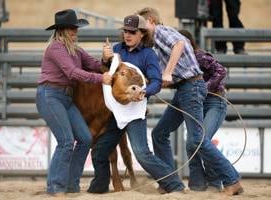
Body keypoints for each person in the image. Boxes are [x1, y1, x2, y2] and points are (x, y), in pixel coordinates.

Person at [136, 7, 243, 196]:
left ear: (151, 21)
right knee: (160, 134)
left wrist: (168, 71)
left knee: (196, 140)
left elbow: (178, 43)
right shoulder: (156, 45)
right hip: (185, 88)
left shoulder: (161, 31)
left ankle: (231, 179)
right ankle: (170, 182)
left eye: (142, 26)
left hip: (191, 87)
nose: (141, 31)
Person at [87, 14, 185, 194]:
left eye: (132, 32)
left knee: (141, 153)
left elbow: (156, 81)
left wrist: (145, 91)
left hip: (134, 113)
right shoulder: (116, 49)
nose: (128, 35)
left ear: (142, 34)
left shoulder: (149, 54)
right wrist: (104, 59)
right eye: (125, 31)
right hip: (115, 113)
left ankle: (175, 185)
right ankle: (99, 187)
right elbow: (106, 72)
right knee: (100, 151)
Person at [35, 9, 112, 196]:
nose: (75, 31)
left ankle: (70, 185)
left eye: (75, 28)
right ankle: (56, 187)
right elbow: (72, 73)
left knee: (85, 138)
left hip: (64, 98)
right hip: (50, 95)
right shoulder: (55, 48)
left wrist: (105, 58)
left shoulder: (76, 50)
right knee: (66, 141)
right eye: (71, 28)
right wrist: (100, 78)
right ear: (60, 30)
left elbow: (94, 64)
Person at [178, 29, 230, 191]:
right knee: (194, 142)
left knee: (200, 140)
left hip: (215, 100)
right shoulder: (178, 63)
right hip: (199, 103)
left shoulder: (199, 56)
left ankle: (214, 182)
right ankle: (198, 183)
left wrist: (204, 89)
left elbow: (221, 70)